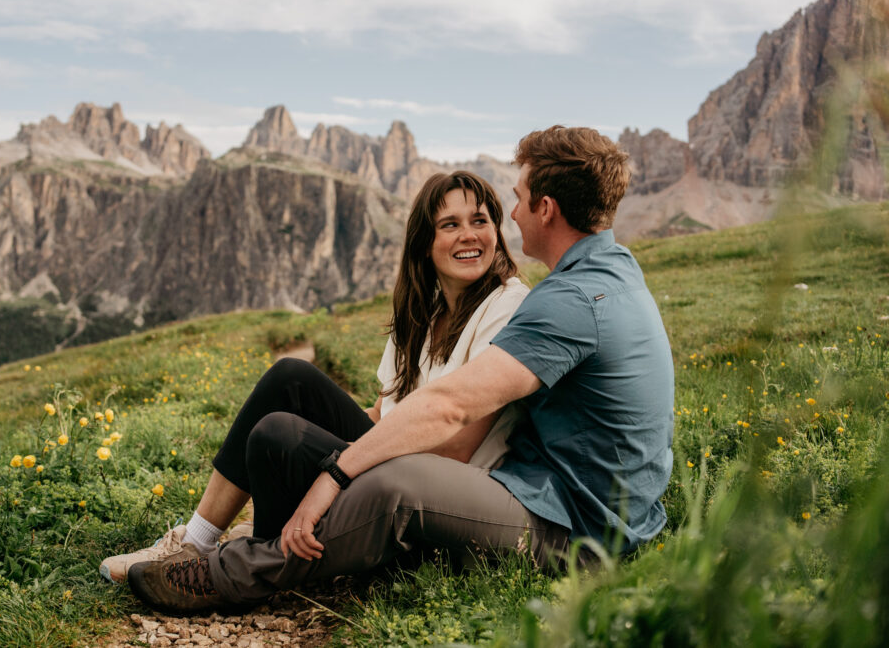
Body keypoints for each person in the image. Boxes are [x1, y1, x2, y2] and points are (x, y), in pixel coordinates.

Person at [126, 126, 674, 616]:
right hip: (570, 503)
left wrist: (333, 474)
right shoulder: (609, 272)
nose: (513, 213)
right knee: (291, 398)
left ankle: (232, 574)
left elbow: (452, 410)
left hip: (576, 531)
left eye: (519, 198)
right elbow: (403, 406)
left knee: (397, 484)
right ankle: (225, 543)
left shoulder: (571, 298)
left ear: (548, 208)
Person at [99, 170, 528, 583]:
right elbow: (381, 415)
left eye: (480, 220)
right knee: (276, 427)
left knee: (291, 386)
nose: (469, 235)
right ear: (425, 242)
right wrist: (312, 433)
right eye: (449, 224)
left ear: (496, 232)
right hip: (393, 463)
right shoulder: (423, 315)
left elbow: (458, 447)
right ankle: (217, 543)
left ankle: (220, 546)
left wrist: (335, 466)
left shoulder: (507, 303)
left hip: (433, 492)